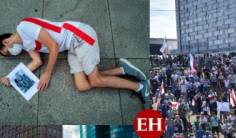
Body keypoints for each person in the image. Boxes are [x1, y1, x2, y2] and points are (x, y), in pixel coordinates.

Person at [0, 18, 150, 107]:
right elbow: (37, 62)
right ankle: (121, 70)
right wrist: (11, 78)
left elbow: (53, 47)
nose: (11, 54)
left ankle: (140, 86)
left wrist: (47, 74)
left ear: (6, 42)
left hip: (79, 36)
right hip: (71, 47)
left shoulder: (24, 27)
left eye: (7, 52)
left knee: (96, 80)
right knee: (82, 85)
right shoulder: (27, 45)